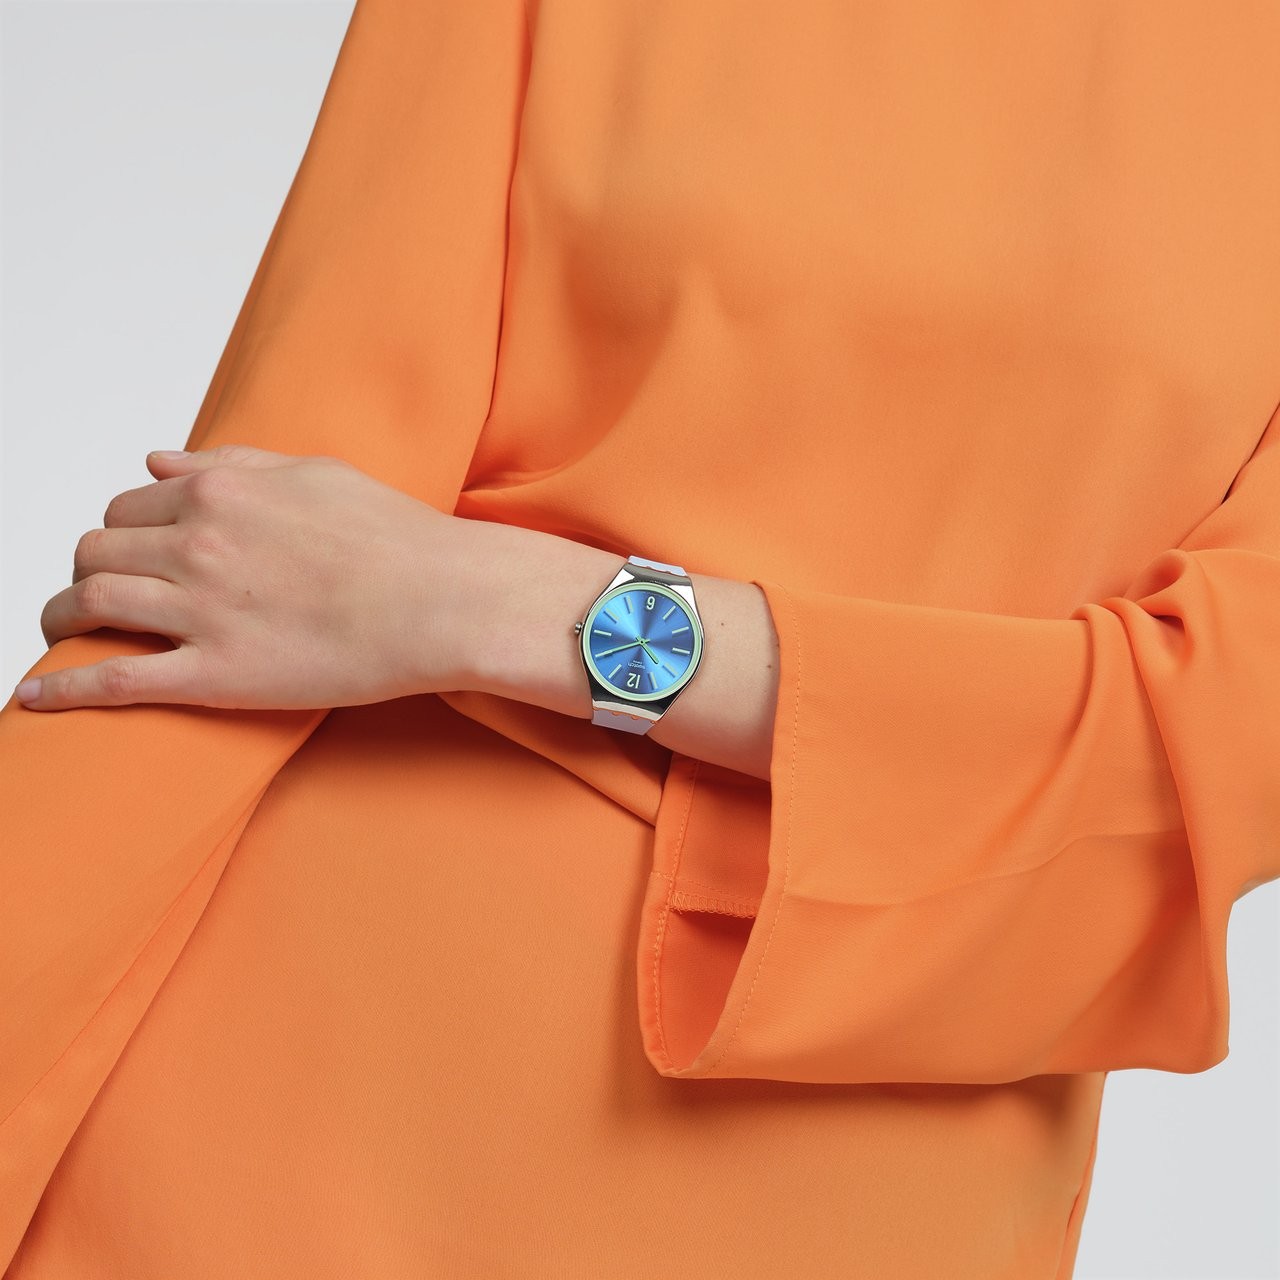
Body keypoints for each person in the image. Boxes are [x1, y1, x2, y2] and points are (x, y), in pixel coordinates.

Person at [3, 0, 1278, 1275]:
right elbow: (270, 545)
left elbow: (1209, 739)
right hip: (279, 1071)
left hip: (862, 1163)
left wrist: (508, 606)